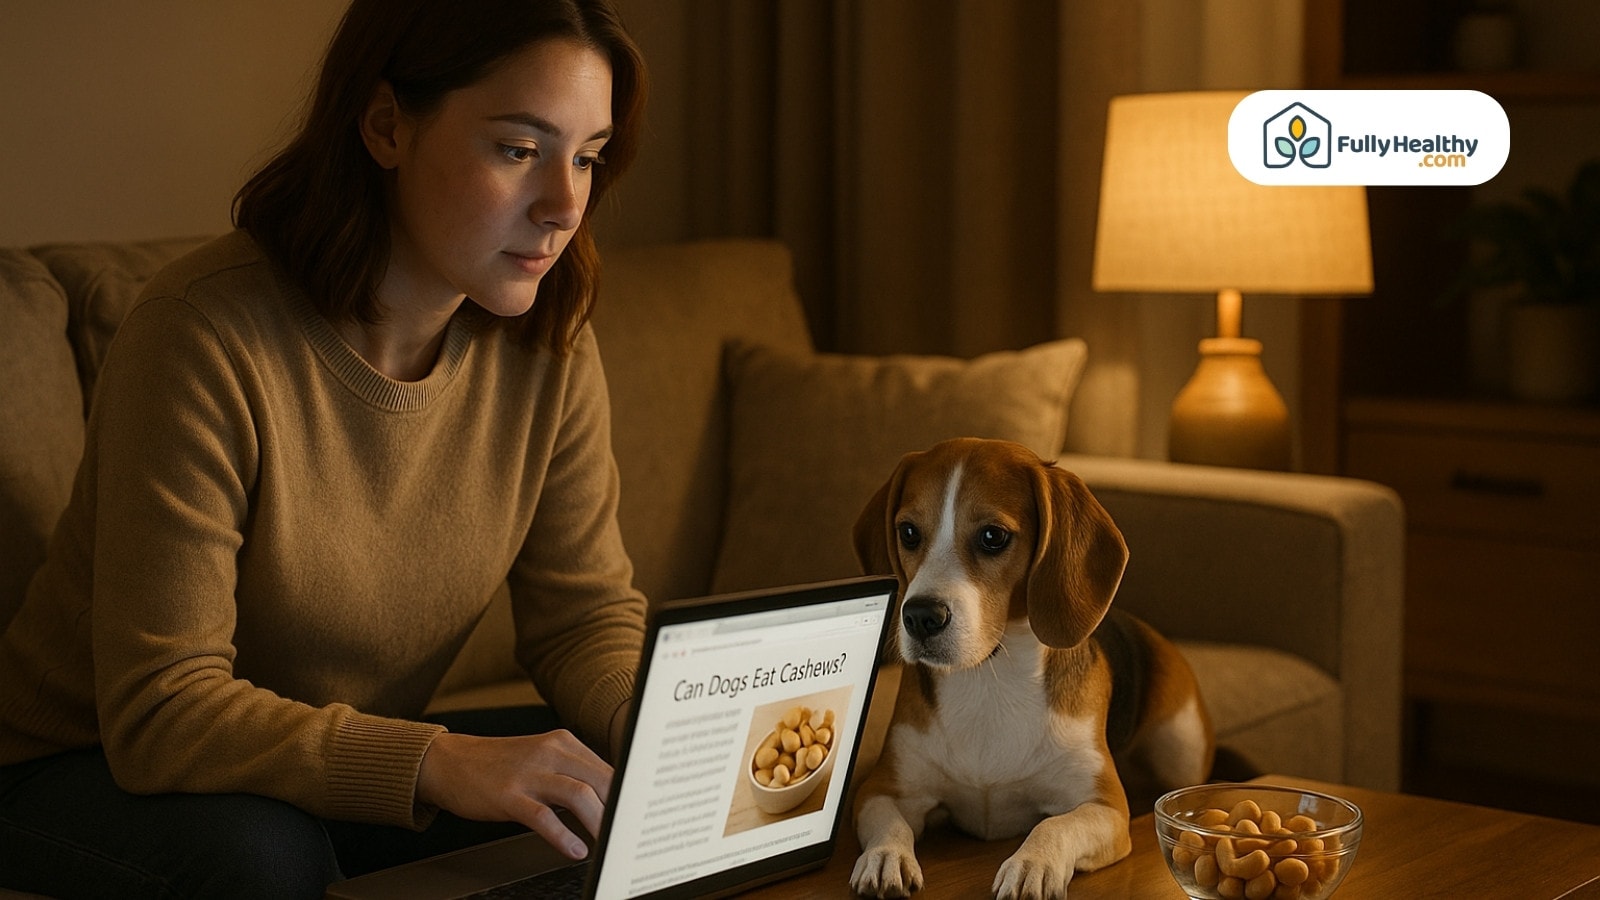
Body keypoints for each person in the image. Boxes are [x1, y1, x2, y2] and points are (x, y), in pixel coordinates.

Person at [0, 0, 650, 895]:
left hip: (320, 757)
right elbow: (162, 704)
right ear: (386, 126)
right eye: (519, 150)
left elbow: (582, 617)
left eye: (587, 156)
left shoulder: (551, 342)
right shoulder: (201, 335)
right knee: (262, 861)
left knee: (596, 798)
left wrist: (661, 736)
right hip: (82, 763)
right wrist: (435, 761)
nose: (565, 205)